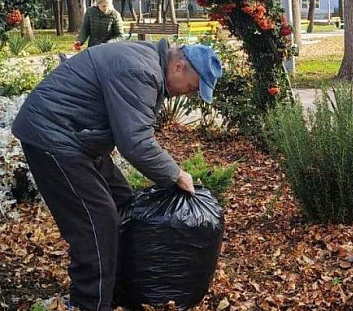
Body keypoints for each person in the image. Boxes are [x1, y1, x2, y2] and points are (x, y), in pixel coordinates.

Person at [12, 38, 222, 311]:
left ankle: (122, 285)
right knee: (97, 223)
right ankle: (91, 304)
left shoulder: (151, 66)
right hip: (53, 137)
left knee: (124, 200)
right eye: (193, 87)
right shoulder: (141, 71)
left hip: (80, 137)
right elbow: (135, 142)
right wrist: (175, 175)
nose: (189, 94)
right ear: (180, 66)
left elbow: (133, 133)